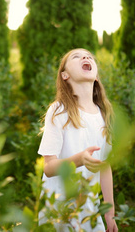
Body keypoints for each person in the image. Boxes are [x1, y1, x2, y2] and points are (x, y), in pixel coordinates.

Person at [38, 48, 118, 232]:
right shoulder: (59, 112)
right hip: (58, 210)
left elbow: (104, 166)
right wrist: (79, 159)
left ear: (96, 76)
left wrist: (109, 213)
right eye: (76, 56)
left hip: (89, 211)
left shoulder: (103, 116)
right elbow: (48, 168)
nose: (85, 57)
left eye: (89, 56)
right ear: (64, 75)